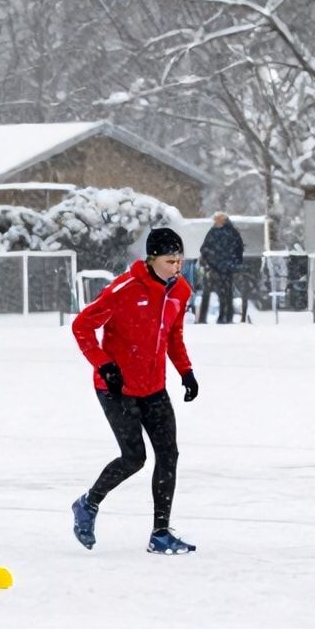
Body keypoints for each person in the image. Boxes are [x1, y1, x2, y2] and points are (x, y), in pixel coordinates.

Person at [69, 227, 201, 554]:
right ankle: (88, 503)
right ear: (151, 259)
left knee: (168, 455)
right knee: (134, 458)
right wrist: (104, 365)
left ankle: (160, 534)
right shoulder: (124, 289)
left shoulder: (180, 290)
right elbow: (82, 326)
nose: (177, 268)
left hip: (154, 387)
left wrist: (186, 372)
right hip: (116, 388)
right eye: (170, 261)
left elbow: (173, 335)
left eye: (180, 261)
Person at [197, 212, 245, 324]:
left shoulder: (215, 232)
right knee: (226, 292)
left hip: (216, 268)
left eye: (216, 220)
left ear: (222, 221)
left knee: (213, 292)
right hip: (226, 268)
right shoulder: (233, 232)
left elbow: (204, 249)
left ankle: (208, 318)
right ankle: (226, 316)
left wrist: (209, 260)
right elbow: (239, 250)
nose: (214, 222)